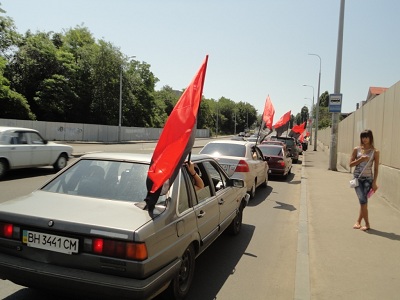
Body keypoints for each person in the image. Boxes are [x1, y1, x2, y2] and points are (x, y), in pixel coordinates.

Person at [349, 129, 380, 231]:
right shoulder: (356, 149)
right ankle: (367, 224)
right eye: (363, 137)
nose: (364, 139)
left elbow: (375, 168)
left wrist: (374, 182)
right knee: (363, 200)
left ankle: (358, 222)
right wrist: (361, 159)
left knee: (364, 201)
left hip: (368, 179)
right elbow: (350, 164)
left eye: (366, 137)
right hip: (357, 179)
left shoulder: (375, 152)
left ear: (370, 138)